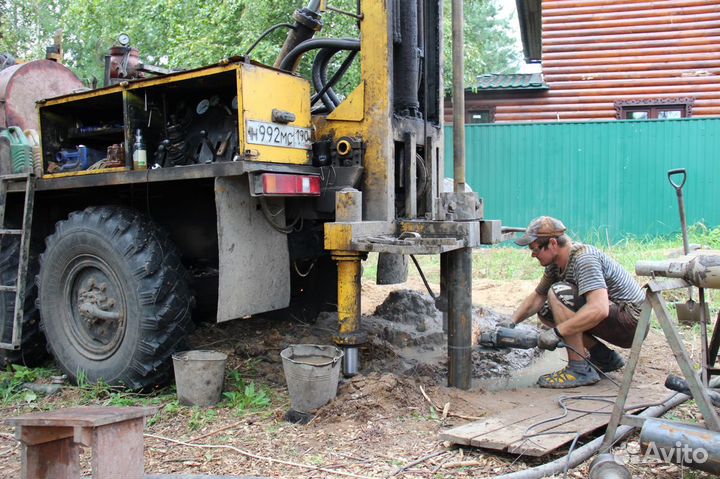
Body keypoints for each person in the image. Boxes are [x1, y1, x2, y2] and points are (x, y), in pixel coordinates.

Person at [502, 216, 645, 388]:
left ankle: (578, 369)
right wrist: (510, 322)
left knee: (558, 293)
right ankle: (604, 358)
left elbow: (599, 309)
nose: (533, 255)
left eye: (535, 249)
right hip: (618, 318)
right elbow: (537, 298)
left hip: (631, 323)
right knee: (546, 310)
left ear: (553, 243)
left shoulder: (584, 259)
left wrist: (557, 333)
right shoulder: (555, 265)